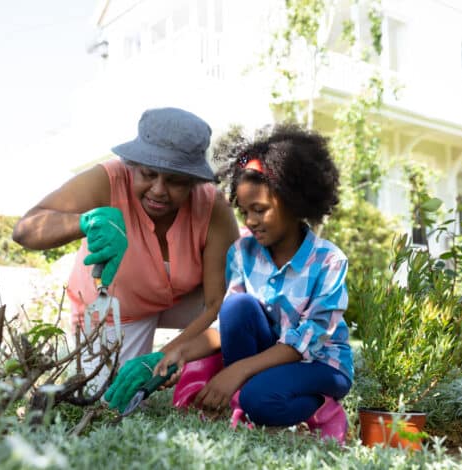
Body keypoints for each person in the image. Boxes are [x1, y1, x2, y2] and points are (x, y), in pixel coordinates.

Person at [106, 124, 353, 430]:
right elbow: (228, 329)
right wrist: (171, 355)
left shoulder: (328, 261)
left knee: (260, 401)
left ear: (294, 201)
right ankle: (246, 398)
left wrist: (234, 373)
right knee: (237, 308)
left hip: (320, 363)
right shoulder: (241, 253)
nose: (250, 221)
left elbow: (306, 342)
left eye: (259, 210)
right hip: (267, 361)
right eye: (244, 211)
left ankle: (322, 408)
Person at [12, 107, 240, 375]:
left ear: (193, 181)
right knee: (111, 401)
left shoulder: (212, 206)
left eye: (175, 181)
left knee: (239, 314)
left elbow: (217, 303)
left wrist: (166, 356)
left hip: (186, 303)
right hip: (119, 308)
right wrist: (84, 222)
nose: (158, 190)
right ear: (133, 166)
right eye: (148, 174)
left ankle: (215, 370)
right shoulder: (107, 180)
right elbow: (24, 230)